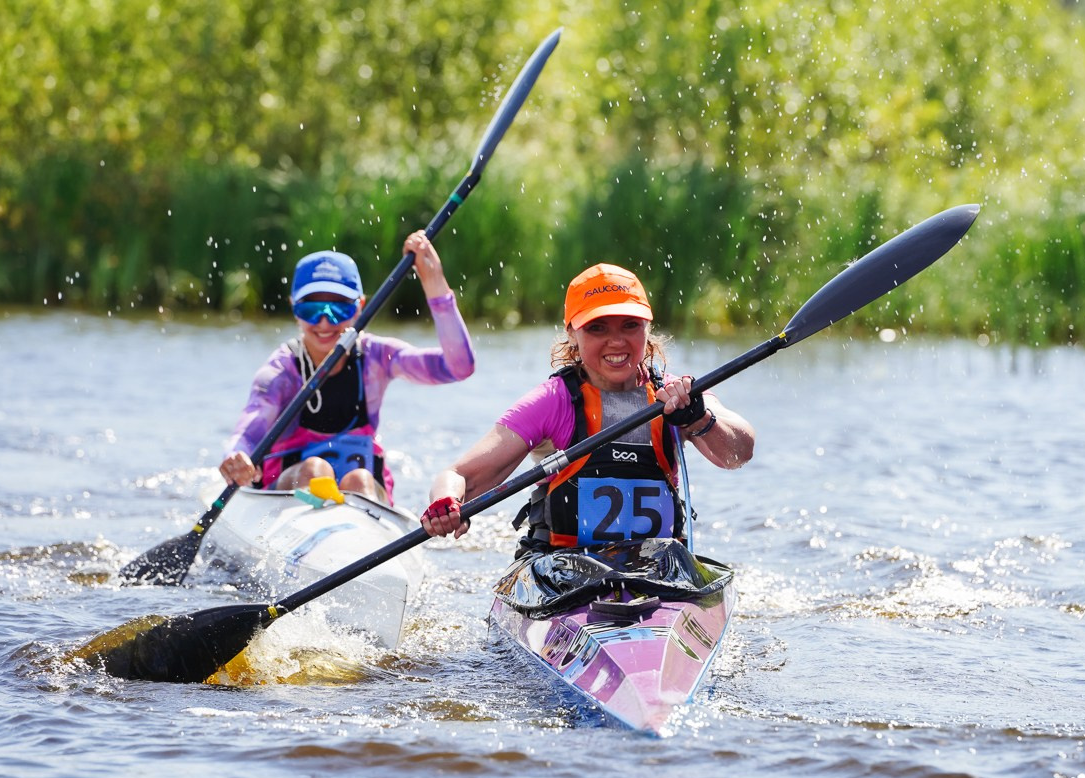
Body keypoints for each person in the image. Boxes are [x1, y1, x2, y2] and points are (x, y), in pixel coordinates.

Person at [420, 262, 754, 554]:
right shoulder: (554, 401)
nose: (617, 341)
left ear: (646, 329)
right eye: (597, 328)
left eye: (630, 325)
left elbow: (740, 453)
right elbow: (459, 476)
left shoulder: (677, 395)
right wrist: (446, 502)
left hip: (657, 567)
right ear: (572, 334)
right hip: (563, 569)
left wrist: (699, 419)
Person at [219, 230, 475, 504]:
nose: (325, 322)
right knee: (316, 471)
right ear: (294, 308)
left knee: (359, 479)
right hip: (291, 490)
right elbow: (248, 432)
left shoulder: (377, 357)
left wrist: (434, 282)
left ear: (360, 307)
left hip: (360, 492)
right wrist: (238, 458)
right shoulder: (281, 372)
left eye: (339, 309)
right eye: (311, 309)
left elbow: (458, 366)